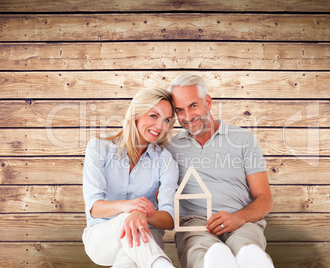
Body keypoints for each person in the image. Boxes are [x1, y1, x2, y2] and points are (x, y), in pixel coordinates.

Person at [167, 74, 274, 268]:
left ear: (207, 101)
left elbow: (265, 198)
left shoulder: (242, 139)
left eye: (193, 105)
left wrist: (238, 218)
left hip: (242, 222)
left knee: (248, 252)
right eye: (179, 110)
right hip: (196, 226)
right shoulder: (172, 149)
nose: (188, 117)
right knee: (209, 256)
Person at [82, 87, 179, 268]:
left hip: (146, 237)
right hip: (103, 238)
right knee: (126, 222)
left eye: (167, 120)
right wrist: (128, 208)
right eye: (154, 116)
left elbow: (168, 219)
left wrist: (140, 213)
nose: (160, 126)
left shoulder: (165, 160)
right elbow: (94, 208)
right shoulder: (99, 147)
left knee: (128, 262)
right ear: (136, 114)